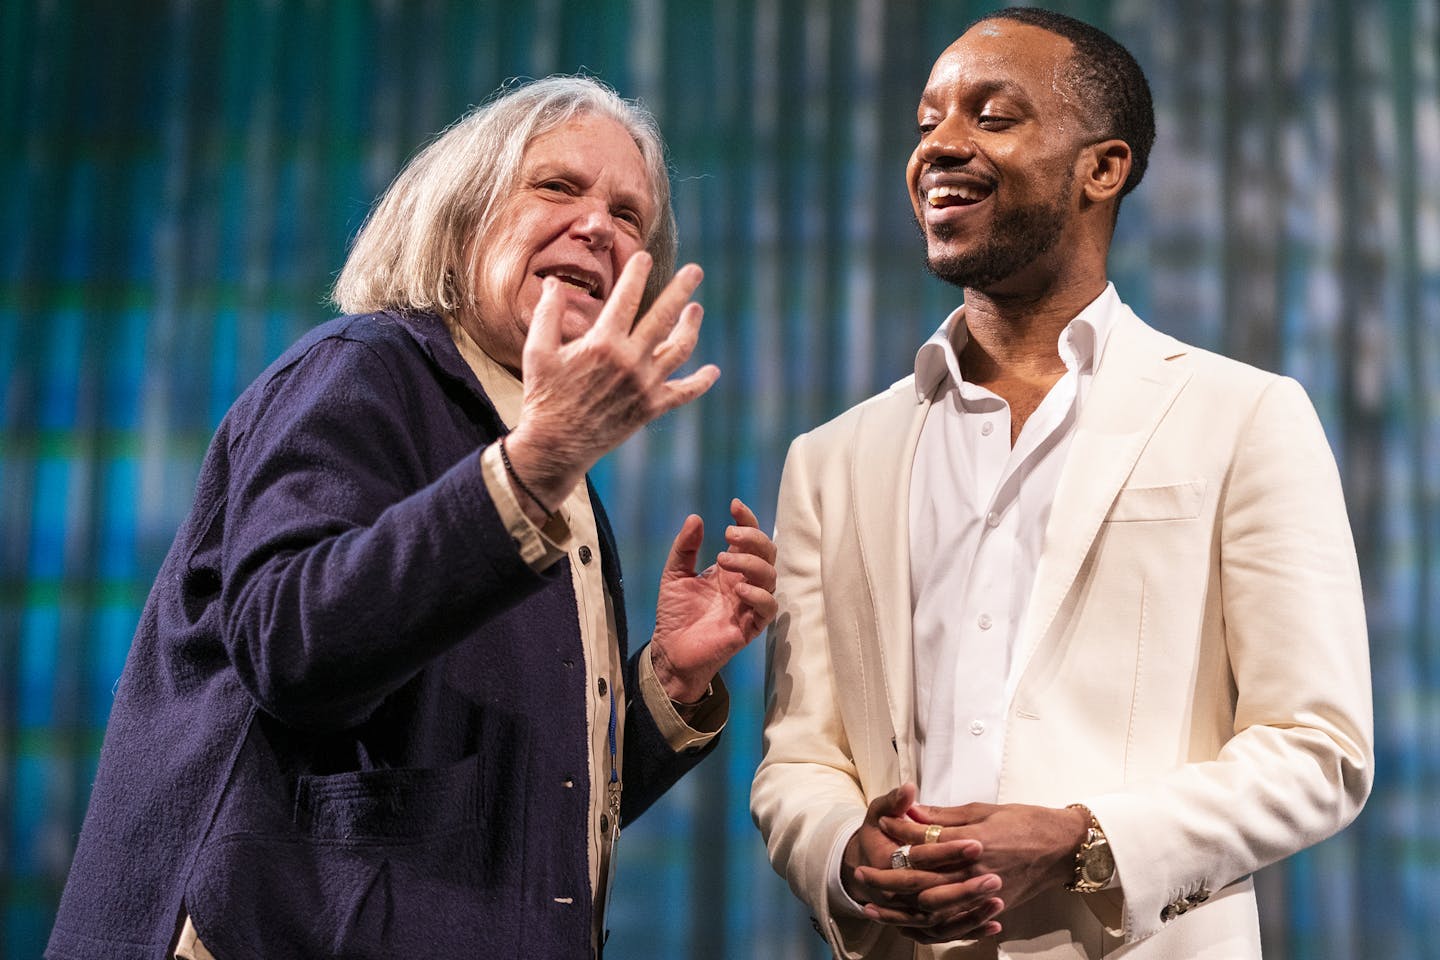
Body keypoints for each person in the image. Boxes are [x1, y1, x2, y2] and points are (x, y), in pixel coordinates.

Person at [47, 76, 777, 960]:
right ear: (462, 217)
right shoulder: (362, 374)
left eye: (630, 215)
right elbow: (293, 647)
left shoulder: (545, 461)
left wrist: (665, 684)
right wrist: (536, 464)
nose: (600, 225)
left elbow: (504, 798)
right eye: (557, 187)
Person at [751, 9, 1372, 959]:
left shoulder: (1245, 416)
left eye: (992, 117)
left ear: (1104, 168)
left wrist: (1086, 843)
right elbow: (800, 757)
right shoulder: (831, 460)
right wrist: (845, 850)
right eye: (926, 124)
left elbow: (1319, 747)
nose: (940, 148)